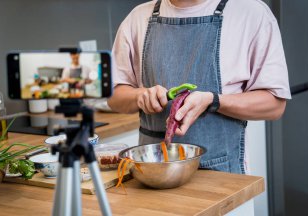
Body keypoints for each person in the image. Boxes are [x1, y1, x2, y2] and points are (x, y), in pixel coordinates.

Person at [108, 0, 291, 174]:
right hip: (152, 175)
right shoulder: (137, 18)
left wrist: (213, 100)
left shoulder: (251, 14)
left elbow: (274, 105)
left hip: (223, 177)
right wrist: (139, 96)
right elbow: (114, 98)